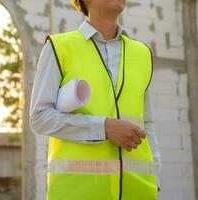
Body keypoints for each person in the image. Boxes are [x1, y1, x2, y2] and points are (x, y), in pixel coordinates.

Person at [29, 0, 161, 199]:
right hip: (77, 192)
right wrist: (104, 128)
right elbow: (40, 118)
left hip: (138, 192)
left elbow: (147, 123)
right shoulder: (59, 47)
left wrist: (155, 179)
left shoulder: (142, 54)